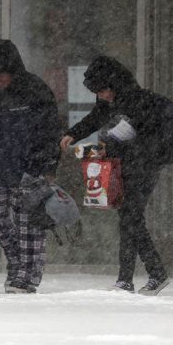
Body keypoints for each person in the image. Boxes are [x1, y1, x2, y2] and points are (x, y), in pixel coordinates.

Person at [60, 56, 170, 295]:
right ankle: (149, 274)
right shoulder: (111, 102)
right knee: (130, 219)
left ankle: (131, 278)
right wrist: (74, 133)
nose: (101, 96)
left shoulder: (140, 103)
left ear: (115, 85)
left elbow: (149, 140)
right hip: (125, 165)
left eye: (103, 91)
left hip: (144, 165)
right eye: (97, 92)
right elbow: (95, 117)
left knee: (130, 218)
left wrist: (116, 147)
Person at [0, 39, 61, 294]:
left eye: (2, 74)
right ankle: (18, 258)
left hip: (29, 166)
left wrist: (46, 163)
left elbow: (50, 129)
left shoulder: (35, 90)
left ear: (13, 71)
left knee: (28, 221)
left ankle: (28, 275)